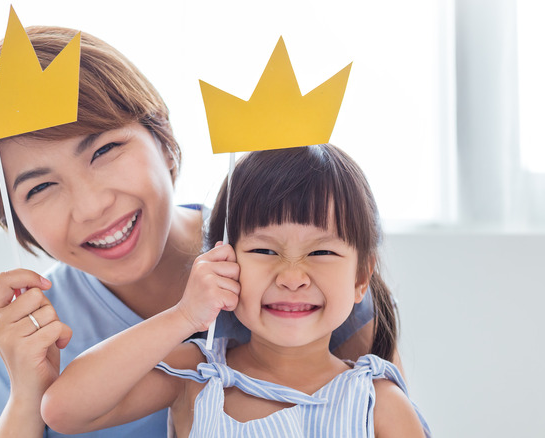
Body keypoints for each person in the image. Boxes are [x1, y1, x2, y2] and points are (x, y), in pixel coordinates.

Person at [0, 25, 389, 438]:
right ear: (13, 218)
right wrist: (27, 392)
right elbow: (60, 408)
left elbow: (374, 409)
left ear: (163, 139)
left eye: (105, 150)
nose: (91, 206)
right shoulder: (29, 329)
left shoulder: (297, 260)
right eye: (40, 187)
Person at [41, 144, 430, 437]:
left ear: (361, 277)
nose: (292, 277)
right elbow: (63, 409)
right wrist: (185, 316)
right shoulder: (198, 375)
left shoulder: (378, 403)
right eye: (264, 250)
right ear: (223, 263)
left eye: (322, 251)